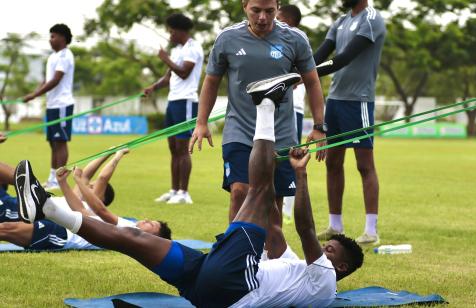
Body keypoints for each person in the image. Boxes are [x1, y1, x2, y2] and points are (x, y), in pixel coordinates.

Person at [16, 75, 363, 307]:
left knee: (258, 191)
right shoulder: (294, 269)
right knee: (131, 238)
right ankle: (47, 208)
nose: (322, 247)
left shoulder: (325, 282)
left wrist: (299, 179)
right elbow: (273, 223)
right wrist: (270, 171)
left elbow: (303, 228)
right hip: (208, 282)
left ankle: (266, 103)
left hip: (233, 287)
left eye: (329, 249)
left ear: (342, 266)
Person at [189, 0, 328, 253]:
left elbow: (313, 82)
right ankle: (235, 255)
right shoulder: (227, 38)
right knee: (239, 191)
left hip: (281, 134)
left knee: (272, 204)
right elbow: (211, 82)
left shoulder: (295, 39)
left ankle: (272, 260)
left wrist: (319, 126)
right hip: (240, 130)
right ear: (244, 6)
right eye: (256, 10)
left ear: (278, 7)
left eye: (269, 11)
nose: (263, 17)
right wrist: (201, 122)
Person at [313, 0, 386, 245]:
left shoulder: (371, 19)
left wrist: (307, 75)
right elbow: (322, 53)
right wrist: (297, 69)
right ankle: (335, 225)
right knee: (332, 163)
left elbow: (343, 58)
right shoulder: (340, 22)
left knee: (364, 165)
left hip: (359, 102)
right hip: (334, 100)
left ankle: (371, 230)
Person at [1, 163, 171, 251]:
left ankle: (35, 196)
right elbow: (82, 212)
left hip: (62, 234)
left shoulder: (133, 233)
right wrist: (63, 181)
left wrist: (116, 154)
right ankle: (36, 196)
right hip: (61, 223)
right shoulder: (130, 223)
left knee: (7, 229)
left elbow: (101, 206)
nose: (147, 220)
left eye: (152, 225)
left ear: (154, 237)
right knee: (6, 228)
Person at [144, 13, 204, 205]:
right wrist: (153, 87)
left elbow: (184, 73)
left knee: (182, 148)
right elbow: (170, 77)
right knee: (173, 148)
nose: (169, 35)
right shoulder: (179, 49)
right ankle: (174, 190)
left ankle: (184, 193)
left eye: (171, 31)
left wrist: (165, 58)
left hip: (186, 101)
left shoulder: (193, 48)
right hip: (173, 101)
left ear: (180, 31)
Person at [23, 24, 76, 191]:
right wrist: (35, 92)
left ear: (62, 38)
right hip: (53, 105)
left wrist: (35, 95)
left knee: (60, 141)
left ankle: (60, 180)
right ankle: (52, 178)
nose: (50, 40)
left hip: (62, 104)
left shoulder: (65, 56)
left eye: (53, 36)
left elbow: (56, 80)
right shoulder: (53, 57)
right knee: (53, 142)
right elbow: (47, 80)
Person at [276, 4, 307, 224]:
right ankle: (280, 208)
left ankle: (287, 210)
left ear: (286, 19)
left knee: (289, 158)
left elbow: (303, 75)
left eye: (277, 16)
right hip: (277, 109)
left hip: (292, 109)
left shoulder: (297, 38)